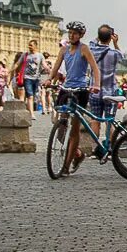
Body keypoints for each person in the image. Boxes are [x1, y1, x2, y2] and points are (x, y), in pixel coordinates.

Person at [52, 21, 101, 175]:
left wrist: (96, 84)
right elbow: (55, 68)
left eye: (75, 33)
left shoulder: (84, 49)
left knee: (74, 128)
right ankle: (77, 153)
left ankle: (66, 165)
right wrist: (49, 79)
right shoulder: (64, 50)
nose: (71, 35)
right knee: (61, 124)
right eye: (70, 33)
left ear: (81, 35)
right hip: (66, 88)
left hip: (80, 90)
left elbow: (94, 68)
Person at [88, 25, 124, 128]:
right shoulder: (114, 54)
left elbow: (91, 43)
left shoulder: (92, 51)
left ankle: (95, 144)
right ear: (110, 37)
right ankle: (111, 143)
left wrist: (99, 37)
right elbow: (122, 56)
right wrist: (115, 43)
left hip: (95, 92)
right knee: (110, 122)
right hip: (111, 92)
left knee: (95, 121)